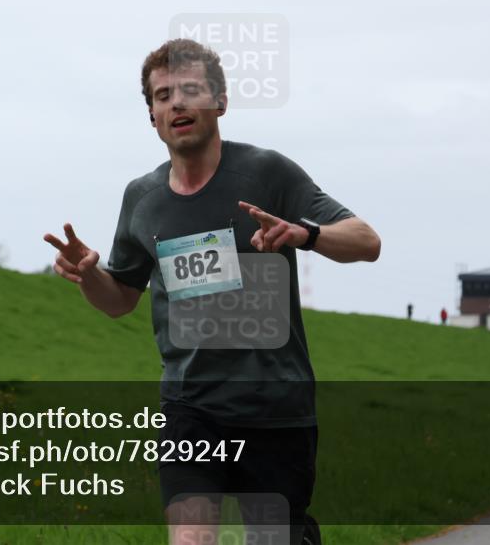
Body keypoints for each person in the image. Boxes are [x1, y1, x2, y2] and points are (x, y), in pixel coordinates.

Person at [44, 39, 381, 545]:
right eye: (162, 96)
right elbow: (120, 300)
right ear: (152, 117)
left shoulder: (267, 172)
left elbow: (367, 242)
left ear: (220, 103)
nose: (175, 103)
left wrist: (305, 234)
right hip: (190, 408)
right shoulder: (142, 199)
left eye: (190, 91)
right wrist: (89, 274)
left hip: (275, 407)